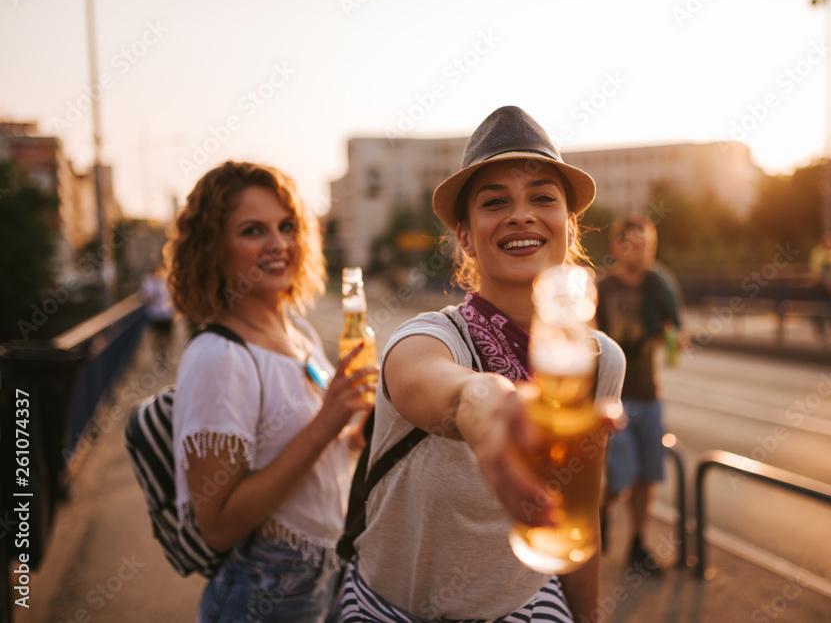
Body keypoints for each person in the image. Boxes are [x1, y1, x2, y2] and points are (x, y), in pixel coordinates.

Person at [339, 106, 625, 622]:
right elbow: (443, 385)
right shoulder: (428, 337)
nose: (522, 214)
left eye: (543, 198)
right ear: (466, 236)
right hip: (390, 611)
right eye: (496, 202)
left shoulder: (601, 361)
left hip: (526, 607)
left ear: (568, 224)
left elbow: (579, 519)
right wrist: (487, 411)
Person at [164, 160, 376, 623]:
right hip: (267, 584)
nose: (279, 244)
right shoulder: (219, 356)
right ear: (213, 247)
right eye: (253, 230)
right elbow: (217, 525)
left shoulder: (297, 332)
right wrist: (326, 422)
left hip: (328, 569)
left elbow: (318, 452)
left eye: (287, 226)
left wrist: (358, 429)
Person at [595, 214, 680, 573]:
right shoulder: (603, 288)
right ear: (618, 247)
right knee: (621, 475)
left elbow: (668, 333)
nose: (643, 253)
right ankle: (597, 510)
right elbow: (589, 338)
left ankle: (637, 544)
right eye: (635, 245)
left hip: (649, 391)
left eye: (648, 246)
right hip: (615, 397)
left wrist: (671, 340)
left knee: (647, 474)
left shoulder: (656, 286)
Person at [808, 232, 831, 340]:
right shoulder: (819, 252)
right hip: (821, 285)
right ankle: (822, 330)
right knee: (822, 307)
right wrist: (829, 286)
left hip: (829, 285)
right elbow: (818, 272)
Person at [141, 262, 176, 361]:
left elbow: (173, 298)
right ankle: (159, 354)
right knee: (157, 337)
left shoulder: (167, 281)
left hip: (166, 314)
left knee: (167, 336)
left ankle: (164, 354)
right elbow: (143, 298)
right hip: (155, 315)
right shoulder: (148, 282)